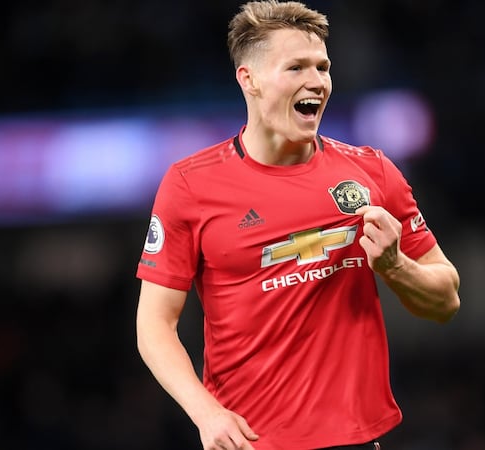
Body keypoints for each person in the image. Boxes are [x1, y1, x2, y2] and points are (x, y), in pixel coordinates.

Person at [135, 1, 461, 449]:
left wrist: (394, 265)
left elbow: (446, 299)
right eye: (296, 68)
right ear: (248, 80)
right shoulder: (190, 186)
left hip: (356, 442)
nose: (317, 82)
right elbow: (153, 325)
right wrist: (206, 413)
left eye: (323, 67)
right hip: (250, 444)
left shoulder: (374, 173)